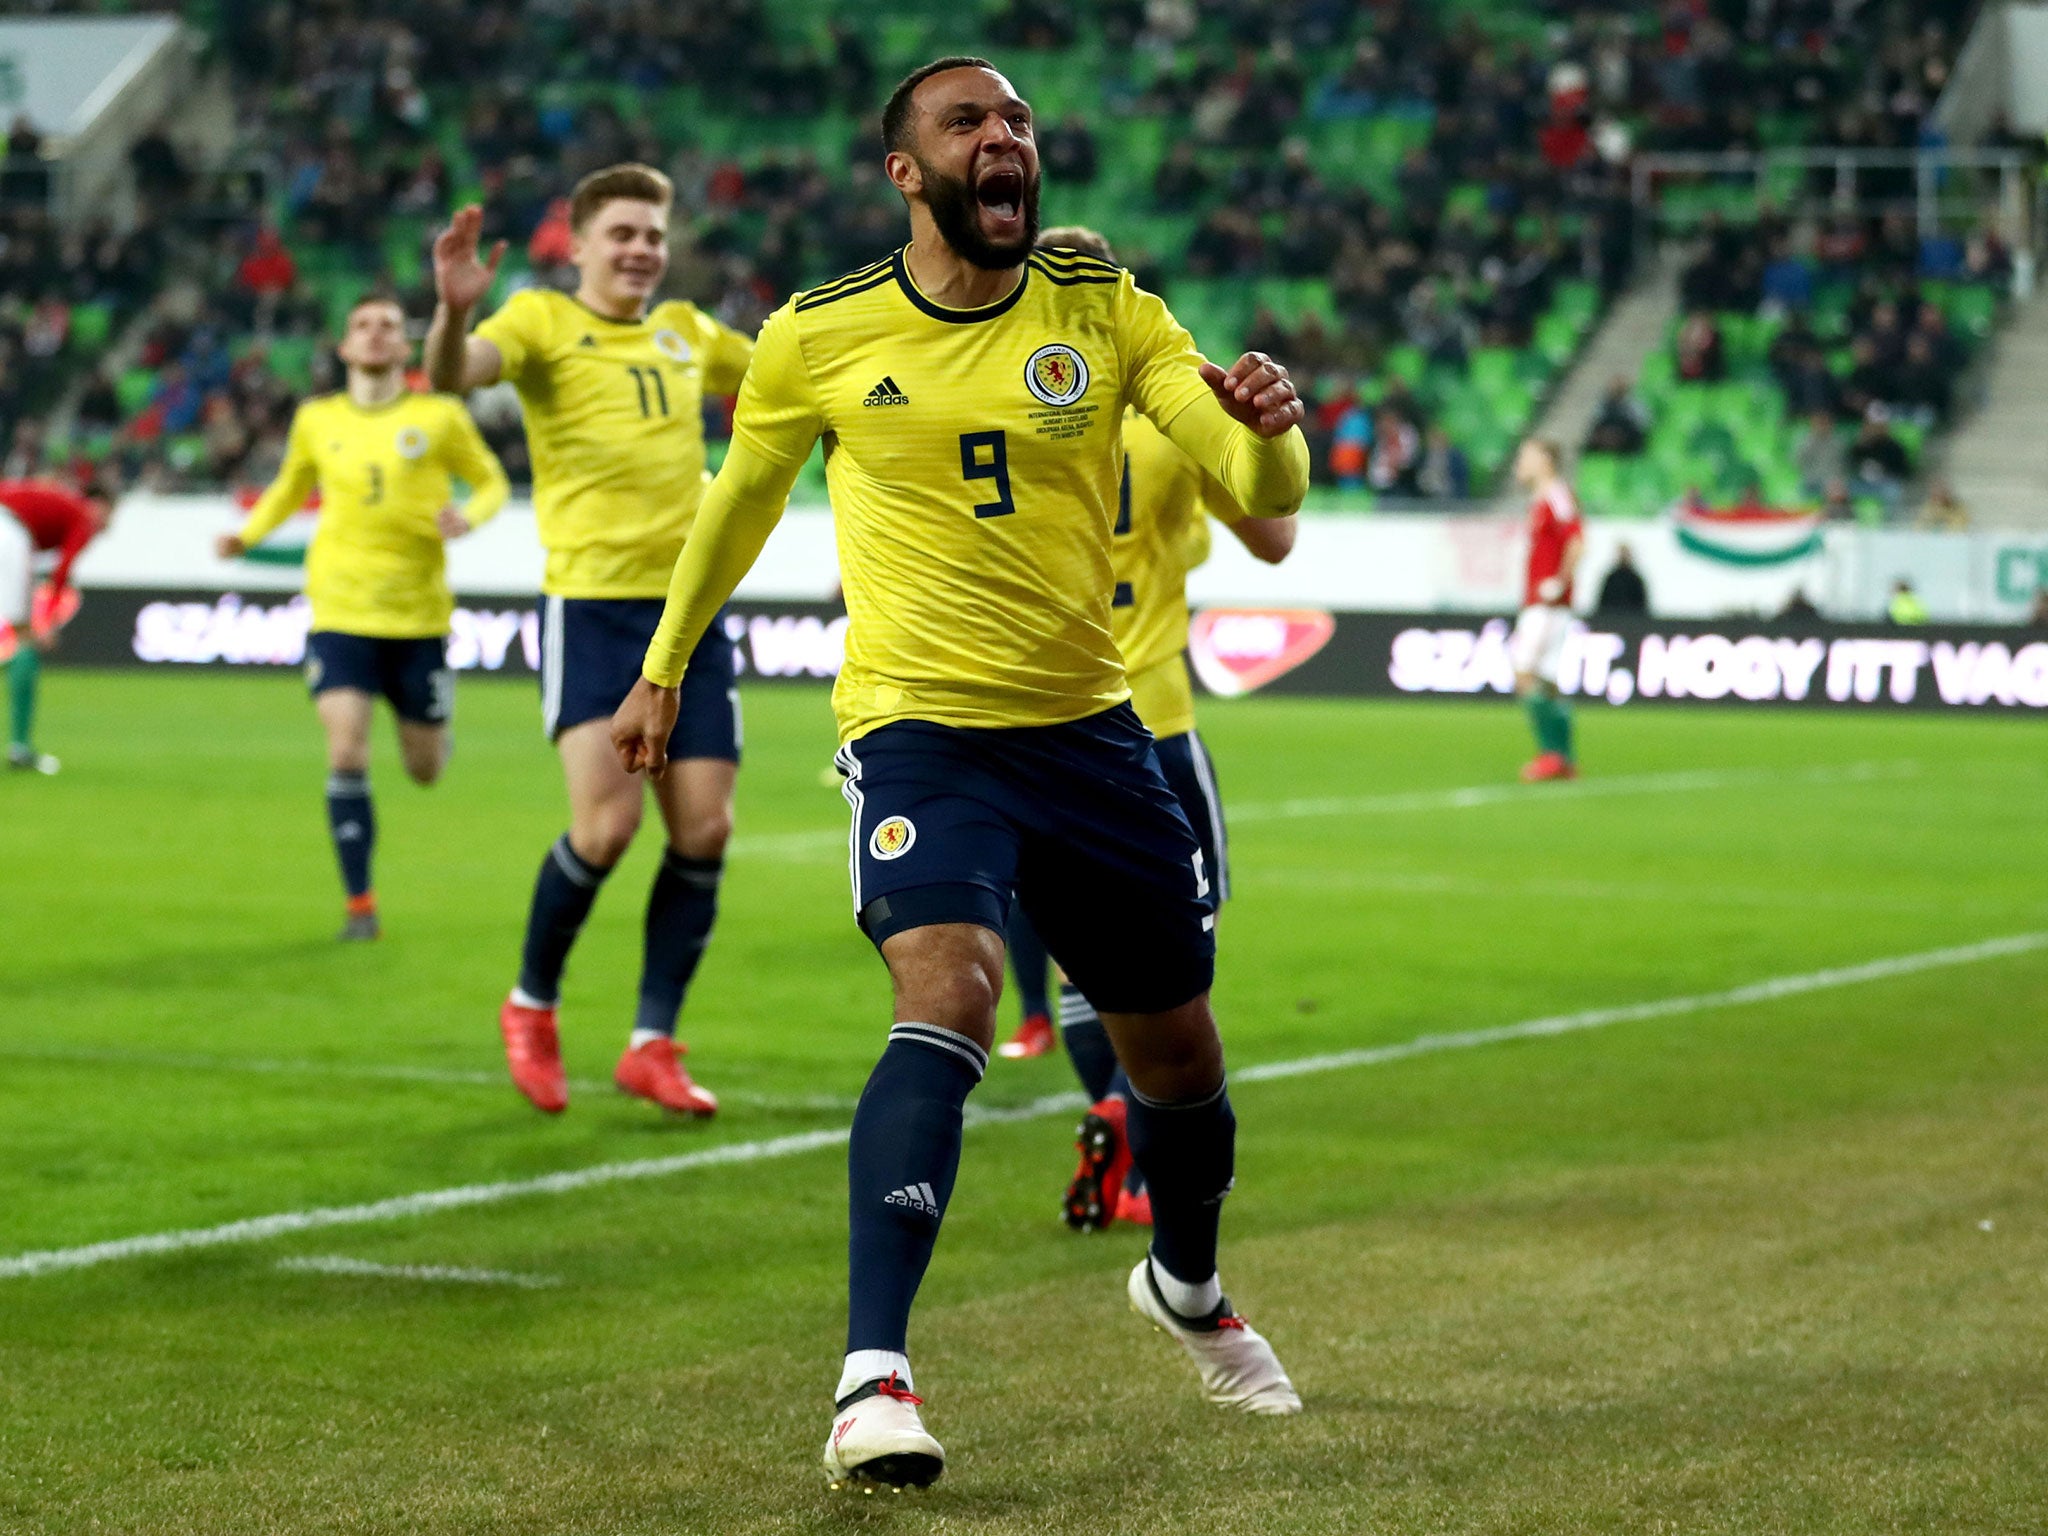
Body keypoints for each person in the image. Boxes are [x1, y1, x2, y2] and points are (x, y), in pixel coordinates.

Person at [609, 57, 1308, 1492]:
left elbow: (1259, 498)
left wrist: (1277, 435)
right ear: (907, 172)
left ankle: (1185, 1284)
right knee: (953, 991)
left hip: (1093, 733)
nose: (1005, 141)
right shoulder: (816, 333)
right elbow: (738, 504)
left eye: (1020, 124)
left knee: (1179, 1058)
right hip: (919, 726)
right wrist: (666, 661)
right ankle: (875, 1378)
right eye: (968, 125)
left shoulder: (1108, 314)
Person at [425, 164, 755, 1118]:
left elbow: (794, 368)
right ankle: (531, 1003)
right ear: (578, 244)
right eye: (623, 233)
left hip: (689, 614)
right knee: (607, 829)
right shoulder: (536, 322)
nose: (643, 248)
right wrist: (450, 314)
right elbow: (453, 375)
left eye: (653, 232)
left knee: (705, 827)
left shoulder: (689, 332)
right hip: (594, 613)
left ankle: (653, 1041)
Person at [1015, 224, 1298, 1234]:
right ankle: (1143, 1144)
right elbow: (1273, 539)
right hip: (1155, 723)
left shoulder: (1000, 403)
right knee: (1177, 959)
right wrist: (1249, 432)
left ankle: (1106, 1106)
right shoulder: (1165, 410)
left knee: (1080, 957)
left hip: (1045, 726)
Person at [216, 296, 509, 939]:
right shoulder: (317, 419)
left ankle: (435, 728)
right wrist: (248, 534)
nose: (376, 336)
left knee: (424, 770)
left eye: (389, 328)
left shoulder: (439, 414)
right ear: (345, 347)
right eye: (363, 325)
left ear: (406, 349)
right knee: (346, 746)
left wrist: (470, 515)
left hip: (418, 618)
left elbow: (492, 482)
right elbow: (290, 488)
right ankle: (359, 904)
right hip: (340, 610)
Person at [0, 472, 113, 775]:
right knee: (26, 639)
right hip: (8, 534)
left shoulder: (56, 499)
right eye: (110, 513)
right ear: (100, 504)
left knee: (21, 638)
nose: (107, 524)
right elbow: (63, 569)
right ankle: (20, 748)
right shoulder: (82, 515)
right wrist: (48, 620)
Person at [1510, 437, 1583, 783]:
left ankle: (1550, 755)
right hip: (1543, 603)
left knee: (1525, 674)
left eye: (1526, 455)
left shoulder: (1557, 495)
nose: (1520, 462)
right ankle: (1564, 757)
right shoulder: (1540, 500)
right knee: (1548, 681)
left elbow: (1578, 540)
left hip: (1547, 605)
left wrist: (1559, 580)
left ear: (1546, 461)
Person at [1594, 542, 1648, 615]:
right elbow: (1603, 603)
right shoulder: (1611, 579)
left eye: (1626, 554)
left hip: (1632, 619)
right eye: (1622, 554)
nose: (1624, 556)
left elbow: (1642, 606)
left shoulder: (1635, 580)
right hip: (1611, 619)